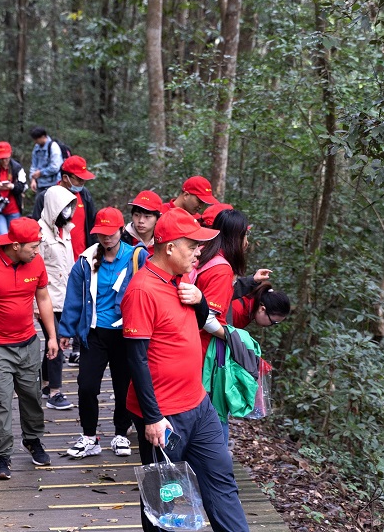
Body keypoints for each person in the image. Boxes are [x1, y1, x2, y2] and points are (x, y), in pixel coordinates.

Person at [121, 207, 250, 532]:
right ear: (170, 248)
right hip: (164, 415)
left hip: (199, 405)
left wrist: (201, 302)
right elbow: (135, 359)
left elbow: (201, 324)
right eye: (192, 246)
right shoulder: (141, 290)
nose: (199, 252)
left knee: (222, 480)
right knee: (163, 496)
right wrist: (151, 417)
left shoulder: (182, 283)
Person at [0, 217, 59, 480]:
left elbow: (43, 298)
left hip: (28, 341)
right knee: (1, 403)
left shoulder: (35, 263)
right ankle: (2, 456)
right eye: (33, 247)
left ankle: (33, 440)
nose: (37, 251)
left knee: (32, 395)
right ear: (15, 245)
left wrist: (52, 336)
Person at [59, 207, 148, 459]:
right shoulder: (86, 260)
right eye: (101, 233)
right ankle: (89, 437)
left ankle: (121, 432)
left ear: (121, 230)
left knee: (124, 386)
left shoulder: (137, 257)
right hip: (94, 333)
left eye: (111, 233)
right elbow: (74, 297)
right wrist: (66, 330)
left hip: (126, 333)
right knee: (86, 386)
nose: (106, 238)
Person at [188, 208, 251, 445]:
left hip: (193, 345)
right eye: (245, 235)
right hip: (207, 353)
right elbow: (208, 318)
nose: (247, 242)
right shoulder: (221, 269)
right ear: (236, 236)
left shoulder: (204, 256)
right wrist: (232, 336)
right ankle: (217, 470)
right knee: (215, 413)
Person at [31, 155, 97, 365]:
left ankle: (77, 348)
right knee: (61, 311)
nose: (82, 184)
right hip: (54, 265)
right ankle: (53, 377)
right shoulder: (46, 197)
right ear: (66, 178)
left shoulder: (84, 196)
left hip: (80, 258)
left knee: (82, 303)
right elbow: (35, 227)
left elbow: (92, 225)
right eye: (78, 179)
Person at [36, 185, 78, 411]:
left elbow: (68, 265)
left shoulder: (66, 231)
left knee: (54, 342)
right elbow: (34, 269)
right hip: (46, 298)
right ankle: (55, 392)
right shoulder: (40, 234)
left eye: (69, 208)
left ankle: (44, 384)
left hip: (63, 297)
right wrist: (34, 303)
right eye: (63, 208)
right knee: (57, 343)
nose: (67, 212)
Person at [0, 141, 27, 236]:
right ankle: (1, 251)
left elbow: (23, 187)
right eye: (1, 158)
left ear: (10, 154)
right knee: (3, 236)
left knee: (14, 237)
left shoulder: (17, 168)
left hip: (14, 209)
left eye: (6, 158)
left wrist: (12, 186)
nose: (4, 161)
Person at [120, 190, 164, 254]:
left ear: (158, 219)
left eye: (147, 216)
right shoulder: (121, 240)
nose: (141, 221)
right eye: (137, 215)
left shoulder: (164, 241)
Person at [28, 127, 64, 192]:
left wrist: (41, 172)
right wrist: (33, 179)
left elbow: (55, 167)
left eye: (37, 139)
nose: (35, 141)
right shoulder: (36, 148)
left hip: (54, 184)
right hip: (40, 185)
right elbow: (33, 165)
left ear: (43, 137)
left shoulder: (53, 147)